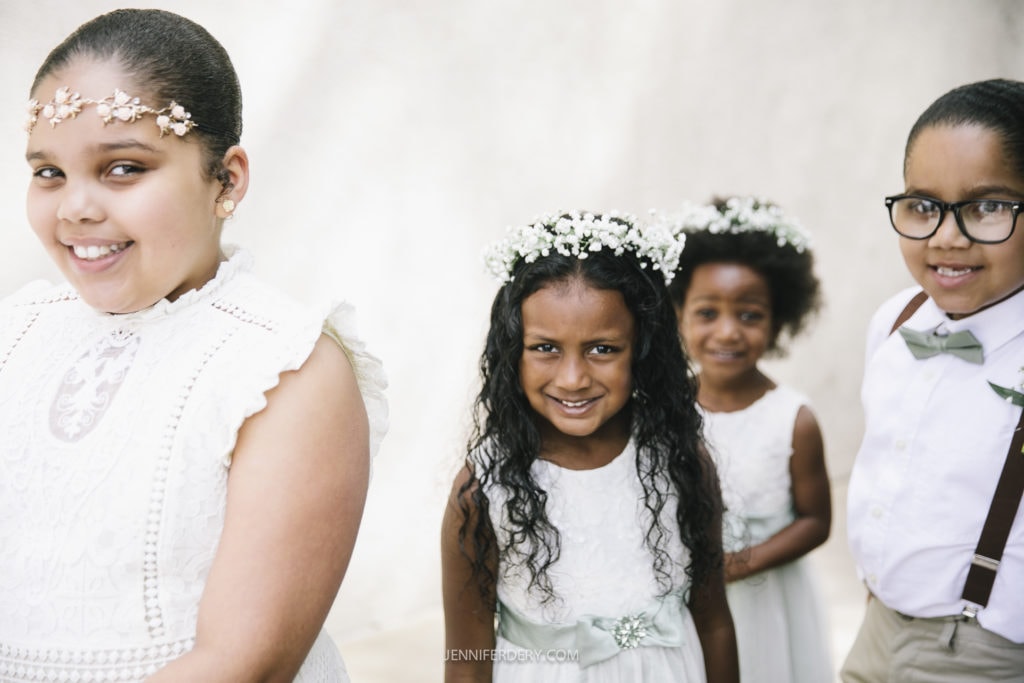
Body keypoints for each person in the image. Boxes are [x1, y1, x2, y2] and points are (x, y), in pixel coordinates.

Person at [0, 9, 387, 682]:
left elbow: (244, 661)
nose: (74, 208)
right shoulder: (18, 333)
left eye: (122, 168)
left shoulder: (283, 367)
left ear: (227, 180)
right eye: (49, 172)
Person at [441, 211, 739, 682]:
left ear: (641, 349)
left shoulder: (679, 463)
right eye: (545, 348)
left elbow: (715, 622)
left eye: (602, 348)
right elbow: (465, 660)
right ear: (512, 350)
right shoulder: (485, 490)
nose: (574, 378)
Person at [842, 78, 1024, 681]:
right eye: (923, 205)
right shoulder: (893, 321)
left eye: (988, 207)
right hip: (878, 625)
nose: (948, 236)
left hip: (982, 647)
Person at [665, 195, 833, 682]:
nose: (727, 332)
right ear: (679, 314)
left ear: (778, 320)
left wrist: (738, 563)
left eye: (750, 315)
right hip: (682, 595)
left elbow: (816, 520)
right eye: (707, 312)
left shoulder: (793, 419)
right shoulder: (663, 410)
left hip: (764, 599)